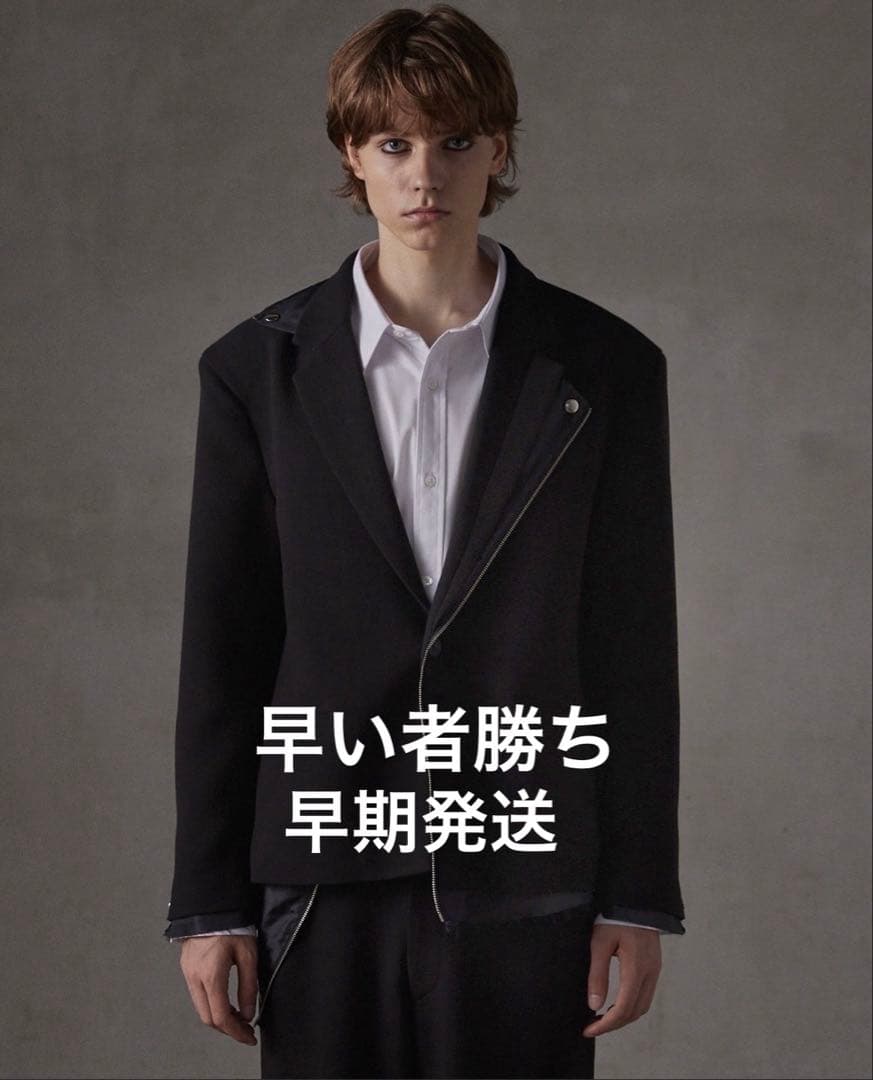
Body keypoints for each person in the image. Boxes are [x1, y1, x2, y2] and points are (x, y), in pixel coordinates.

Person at [163, 5, 686, 1078]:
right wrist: (209, 903)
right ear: (351, 154)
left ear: (500, 150)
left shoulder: (605, 368)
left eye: (455, 140)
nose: (425, 176)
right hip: (324, 870)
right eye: (393, 143)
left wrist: (636, 895)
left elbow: (631, 643)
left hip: (522, 865)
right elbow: (226, 646)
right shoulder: (257, 372)